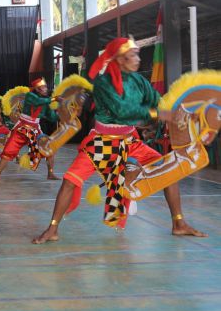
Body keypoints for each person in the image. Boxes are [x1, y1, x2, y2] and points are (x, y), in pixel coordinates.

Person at [32, 37, 206, 244]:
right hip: (102, 143)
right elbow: (123, 111)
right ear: (120, 59)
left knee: (169, 170)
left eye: (137, 54)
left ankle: (178, 223)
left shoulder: (139, 81)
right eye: (132, 55)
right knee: (70, 181)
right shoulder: (104, 83)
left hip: (131, 141)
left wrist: (182, 110)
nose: (138, 59)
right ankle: (52, 229)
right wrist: (161, 114)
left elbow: (158, 101)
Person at [0, 78, 59, 181]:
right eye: (43, 87)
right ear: (37, 89)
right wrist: (55, 99)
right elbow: (37, 102)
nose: (45, 89)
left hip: (35, 129)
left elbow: (52, 117)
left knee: (49, 149)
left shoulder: (45, 102)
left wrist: (61, 112)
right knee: (8, 151)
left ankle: (50, 174)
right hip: (22, 128)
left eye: (45, 87)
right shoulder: (30, 96)